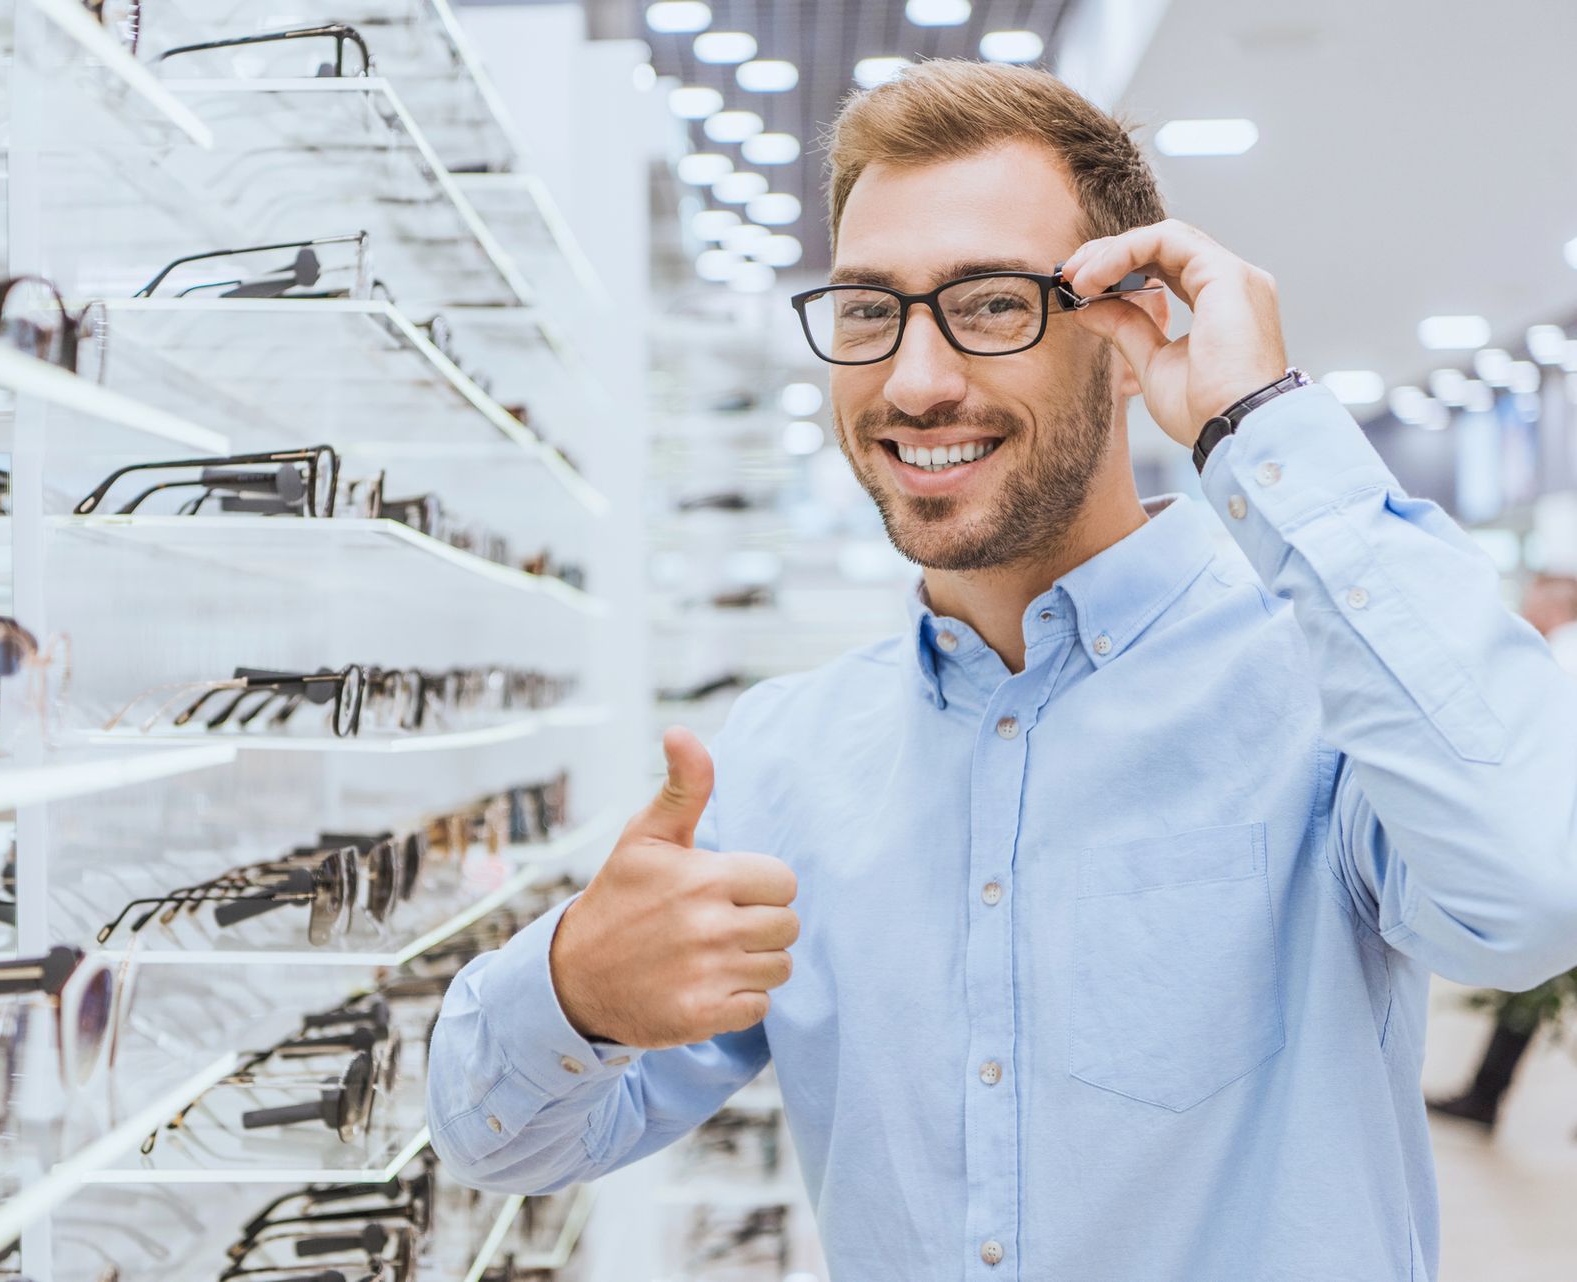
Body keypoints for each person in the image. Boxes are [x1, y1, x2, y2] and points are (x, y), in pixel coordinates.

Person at [426, 58, 1577, 1280]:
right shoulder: (784, 759)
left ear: (1128, 333)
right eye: (870, 309)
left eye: (989, 304)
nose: (917, 382)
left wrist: (1263, 423)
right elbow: (499, 1140)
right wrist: (574, 993)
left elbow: (1537, 889)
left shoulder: (1323, 695)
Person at [1426, 571, 1577, 1129]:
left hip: (1555, 847)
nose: (1527, 601)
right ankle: (1485, 1096)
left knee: (1533, 974)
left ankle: (1485, 1098)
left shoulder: (1559, 654)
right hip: (1553, 846)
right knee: (1532, 980)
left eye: (1539, 593)